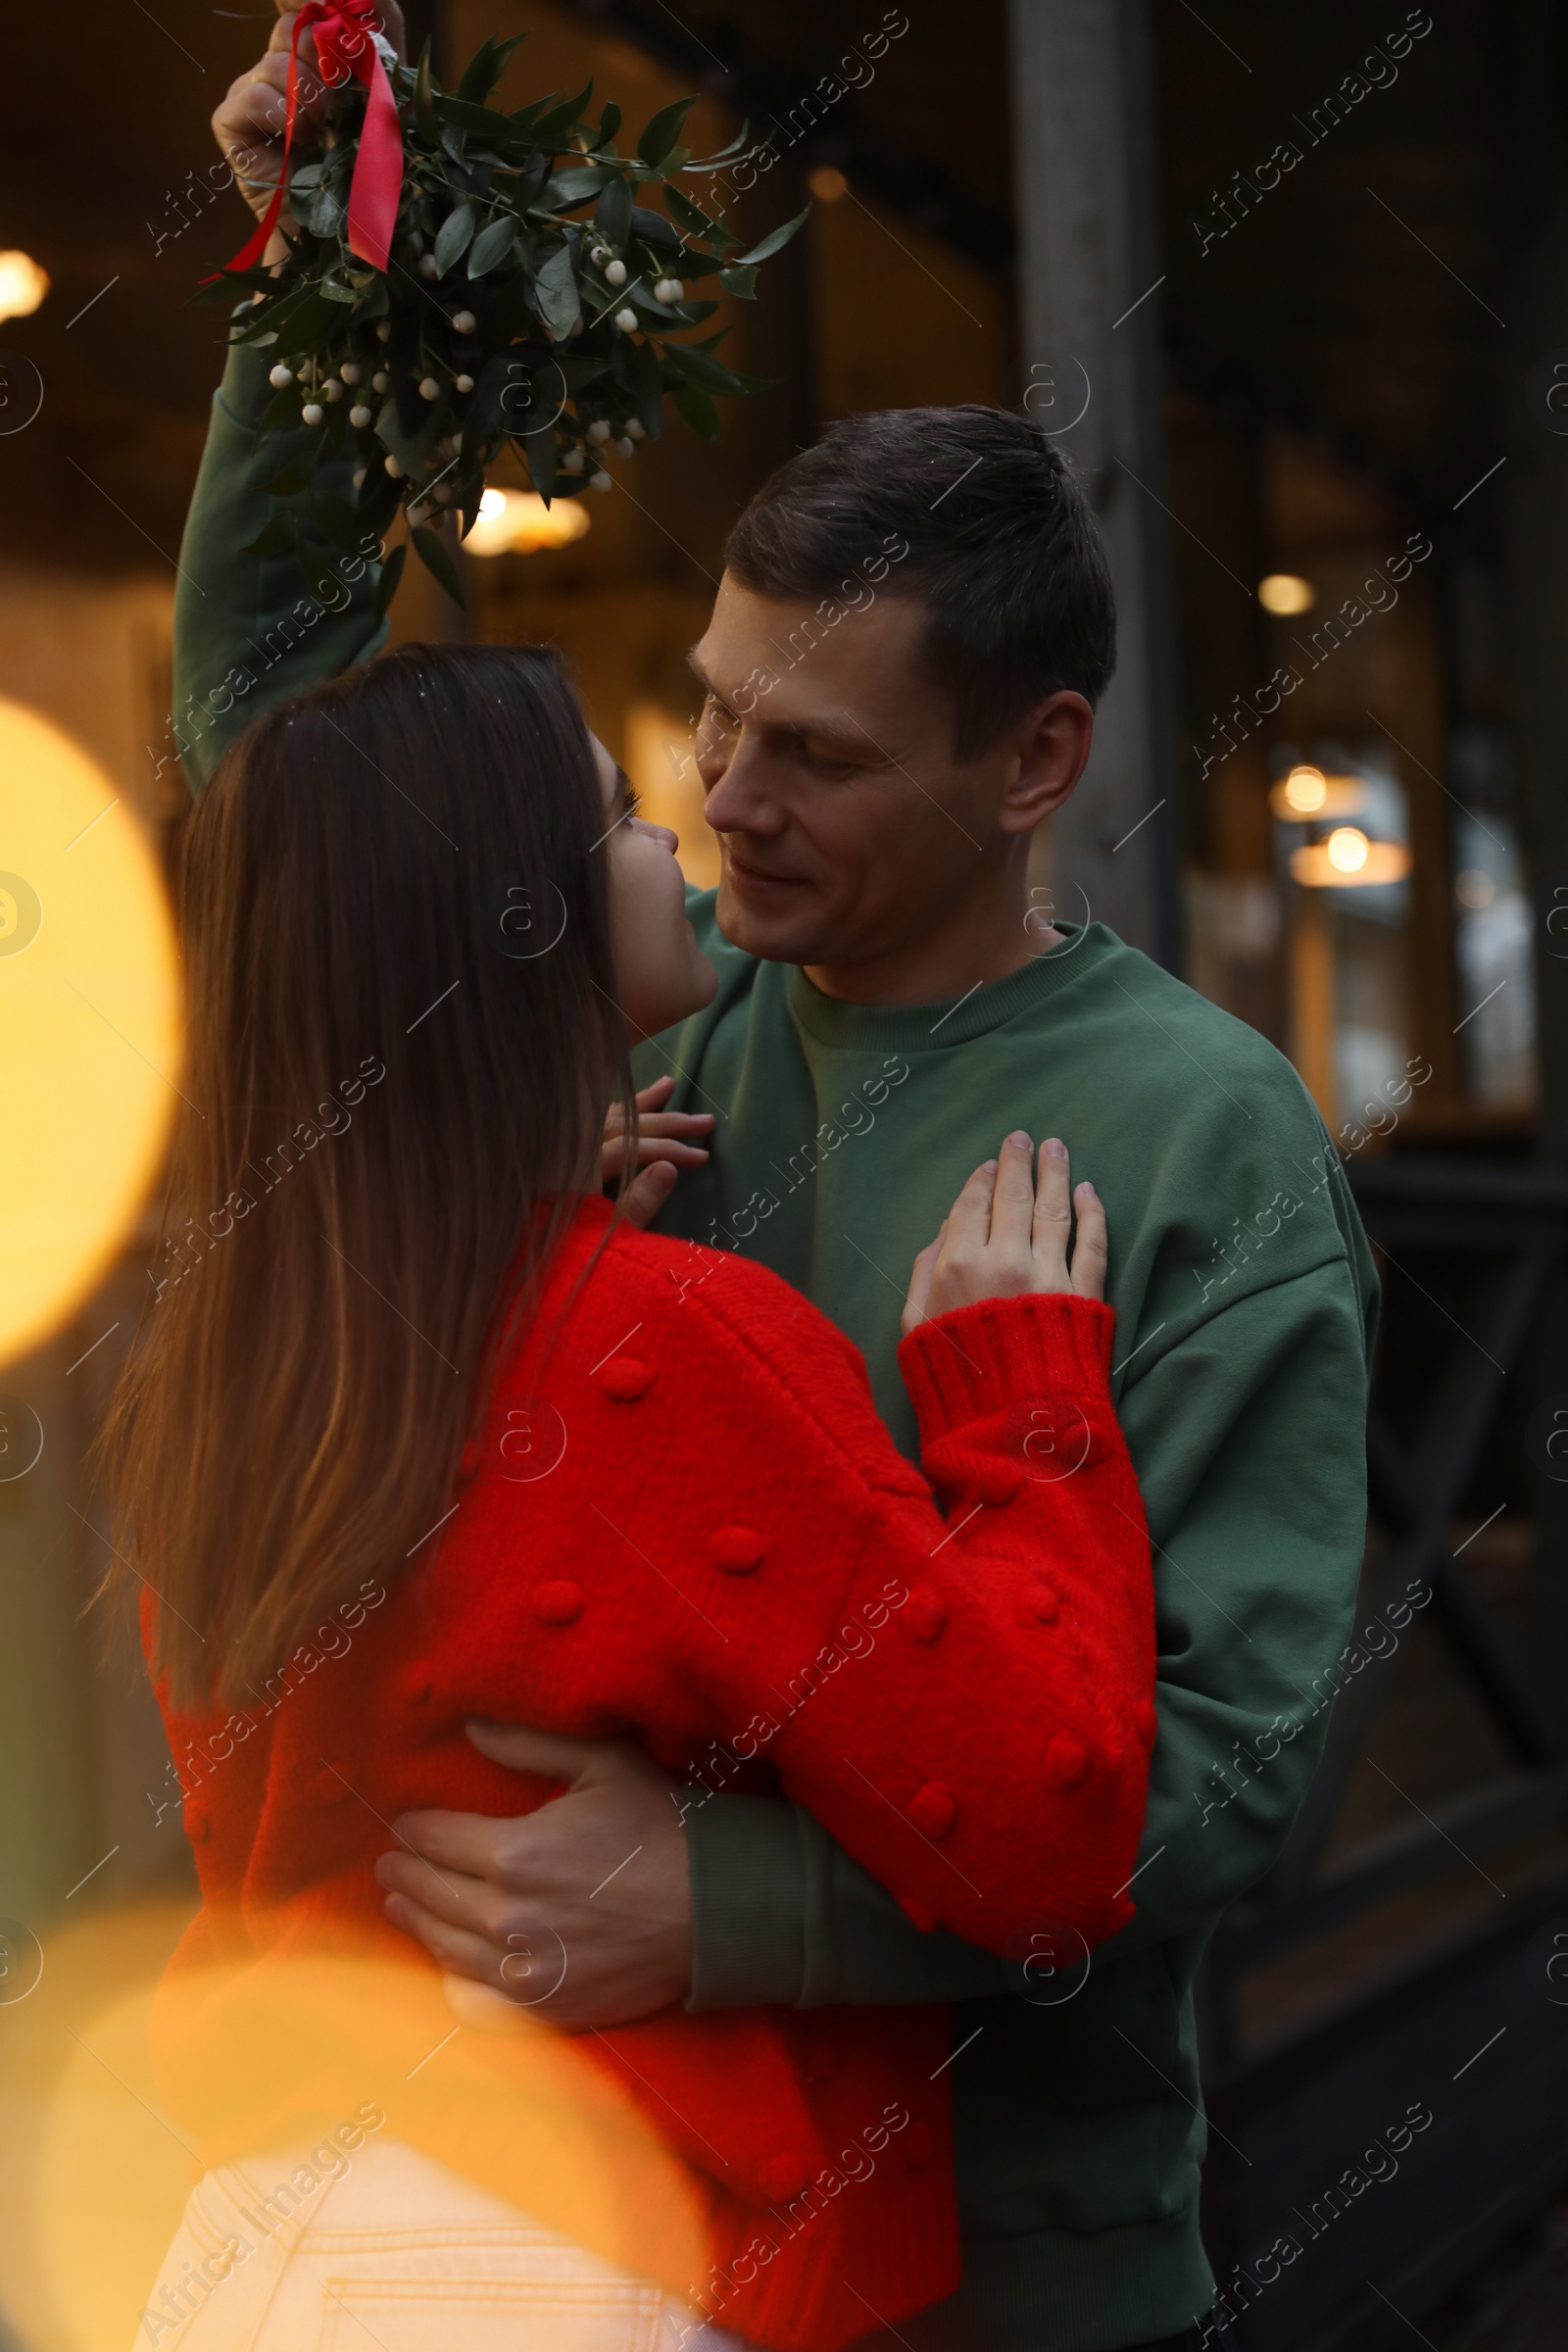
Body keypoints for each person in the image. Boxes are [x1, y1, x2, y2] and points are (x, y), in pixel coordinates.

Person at [173, 15, 1380, 2348]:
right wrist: (322, 271)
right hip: (606, 2231)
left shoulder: (1202, 1136)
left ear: (1035, 759)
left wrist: (727, 1905)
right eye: (708, 720)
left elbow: (1224, 1772)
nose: (724, 799)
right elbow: (296, 808)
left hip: (1013, 2256)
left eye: (811, 755)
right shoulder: (645, 1014)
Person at [108, 641, 1155, 2350]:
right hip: (551, 2260)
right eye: (609, 816)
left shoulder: (256, 1353)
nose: (677, 835)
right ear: (507, 920)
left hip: (249, 2245)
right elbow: (1046, 1830)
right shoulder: (663, 1338)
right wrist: (1022, 1403)